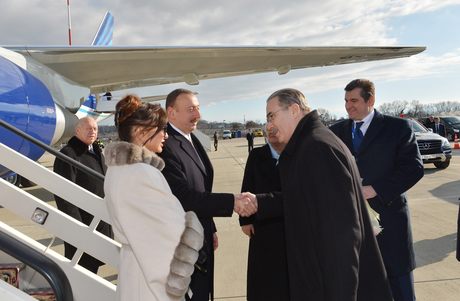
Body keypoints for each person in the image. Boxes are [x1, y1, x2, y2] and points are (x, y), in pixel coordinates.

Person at [243, 88, 393, 300]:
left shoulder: (317, 148)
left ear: (294, 110)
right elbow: (304, 197)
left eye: (272, 116)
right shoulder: (310, 143)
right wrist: (260, 202)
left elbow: (342, 236)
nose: (269, 125)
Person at [329, 79, 424, 301]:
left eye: (354, 100)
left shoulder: (398, 128)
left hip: (390, 225)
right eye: (345, 101)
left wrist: (375, 189)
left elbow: (413, 168)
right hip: (350, 229)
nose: (348, 106)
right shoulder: (335, 131)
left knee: (400, 291)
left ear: (370, 99)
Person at [158, 88, 256, 301]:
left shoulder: (190, 139)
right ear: (171, 113)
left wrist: (210, 228)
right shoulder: (166, 146)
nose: (198, 115)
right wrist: (232, 202)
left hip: (201, 234)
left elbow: (203, 188)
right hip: (184, 244)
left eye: (198, 108)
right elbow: (184, 196)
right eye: (191, 109)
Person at [103, 94, 204, 300]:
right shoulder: (141, 173)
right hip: (150, 285)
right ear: (141, 133)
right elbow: (172, 231)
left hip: (136, 274)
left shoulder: (119, 169)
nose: (165, 136)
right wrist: (193, 235)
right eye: (161, 130)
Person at [53, 116, 113, 274]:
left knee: (94, 269)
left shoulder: (96, 152)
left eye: (95, 128)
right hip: (83, 225)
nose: (93, 131)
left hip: (100, 223)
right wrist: (78, 228)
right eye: (88, 128)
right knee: (82, 271)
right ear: (77, 130)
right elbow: (64, 196)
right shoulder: (69, 154)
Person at [239, 124, 289, 301]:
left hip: (289, 222)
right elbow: (247, 186)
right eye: (269, 131)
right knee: (263, 274)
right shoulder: (256, 156)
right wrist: (245, 220)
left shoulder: (295, 155)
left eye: (276, 130)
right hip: (263, 224)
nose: (272, 134)